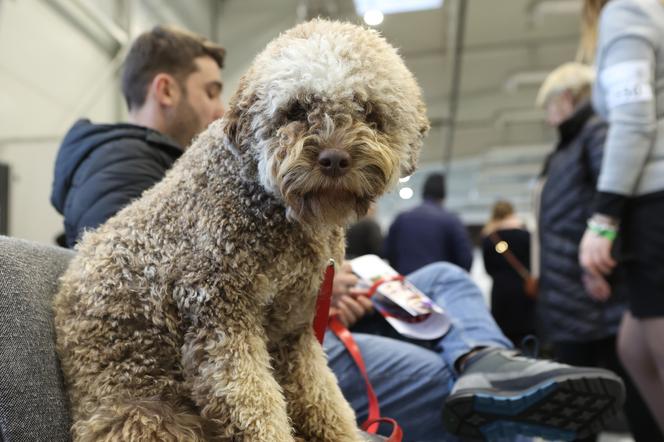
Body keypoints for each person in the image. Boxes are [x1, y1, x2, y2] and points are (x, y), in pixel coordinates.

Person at [49, 25, 624, 442]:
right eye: (298, 112)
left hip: (254, 349)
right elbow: (222, 338)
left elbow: (295, 339)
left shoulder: (311, 216)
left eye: (370, 119)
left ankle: (489, 368)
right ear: (250, 124)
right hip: (149, 400)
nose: (334, 147)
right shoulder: (203, 183)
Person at [536, 61, 660, 442]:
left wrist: (601, 267)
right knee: (582, 401)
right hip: (574, 296)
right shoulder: (568, 148)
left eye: (550, 106)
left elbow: (613, 202)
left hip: (597, 292)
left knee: (632, 396)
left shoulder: (594, 134)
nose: (548, 116)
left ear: (568, 98)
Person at [50, 25, 226, 248]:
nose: (221, 111)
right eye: (211, 93)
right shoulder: (124, 164)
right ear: (166, 91)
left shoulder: (145, 161)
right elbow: (126, 273)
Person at [578, 0, 664, 436]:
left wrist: (603, 220)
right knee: (634, 344)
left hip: (654, 201)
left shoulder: (627, 10)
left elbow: (633, 120)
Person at [384, 172, 473, 274]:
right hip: (438, 285)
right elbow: (465, 259)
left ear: (423, 193)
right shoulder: (452, 221)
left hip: (406, 283)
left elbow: (387, 251)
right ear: (443, 196)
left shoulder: (401, 218)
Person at [481, 200, 536, 346]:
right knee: (527, 334)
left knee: (505, 336)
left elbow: (488, 269)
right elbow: (534, 266)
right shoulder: (526, 236)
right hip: (525, 292)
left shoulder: (489, 239)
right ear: (512, 213)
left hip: (501, 294)